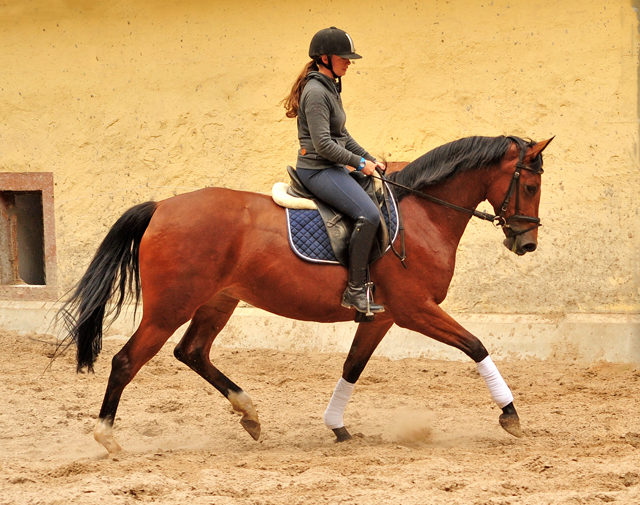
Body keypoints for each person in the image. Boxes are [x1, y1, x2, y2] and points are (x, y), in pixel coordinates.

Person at [281, 27, 385, 314]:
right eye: (344, 57)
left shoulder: (330, 87)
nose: (349, 62)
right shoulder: (315, 92)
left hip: (333, 167)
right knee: (369, 214)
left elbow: (342, 134)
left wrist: (368, 157)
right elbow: (324, 145)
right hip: (317, 170)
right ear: (325, 58)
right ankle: (354, 291)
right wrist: (360, 164)